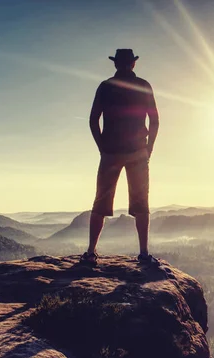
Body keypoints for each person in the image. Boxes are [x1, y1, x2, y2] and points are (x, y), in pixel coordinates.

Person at [81, 49, 160, 266]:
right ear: (133, 64)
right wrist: (149, 149)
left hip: (111, 152)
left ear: (115, 65)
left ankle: (90, 252)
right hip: (137, 152)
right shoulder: (143, 86)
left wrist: (102, 148)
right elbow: (154, 121)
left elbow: (92, 120)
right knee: (141, 203)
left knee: (100, 202)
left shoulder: (106, 87)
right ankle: (143, 254)